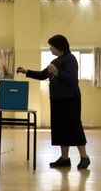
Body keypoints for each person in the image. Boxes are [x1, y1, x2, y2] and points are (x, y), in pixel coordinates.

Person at [16, 34, 90, 169]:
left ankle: (84, 157)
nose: (50, 48)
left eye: (52, 46)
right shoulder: (56, 61)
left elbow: (72, 79)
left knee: (74, 127)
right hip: (57, 99)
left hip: (70, 99)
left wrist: (57, 72)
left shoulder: (70, 59)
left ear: (59, 46)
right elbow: (42, 75)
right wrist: (26, 71)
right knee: (61, 128)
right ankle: (64, 158)